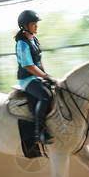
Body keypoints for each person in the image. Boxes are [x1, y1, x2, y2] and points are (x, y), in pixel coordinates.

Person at [15, 10, 56, 144]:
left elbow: (39, 61)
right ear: (25, 26)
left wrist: (47, 76)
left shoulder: (35, 40)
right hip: (27, 79)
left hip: (37, 77)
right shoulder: (22, 43)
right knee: (45, 95)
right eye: (33, 24)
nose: (36, 26)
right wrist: (44, 76)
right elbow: (29, 66)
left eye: (36, 23)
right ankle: (39, 132)